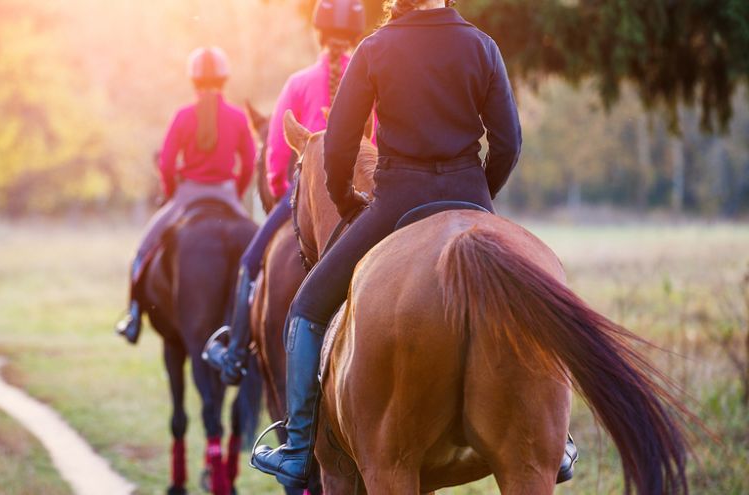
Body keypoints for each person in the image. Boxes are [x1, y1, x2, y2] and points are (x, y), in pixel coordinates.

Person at [250, 0, 578, 488]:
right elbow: (507, 142)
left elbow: (338, 149)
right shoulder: (482, 46)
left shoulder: (375, 48)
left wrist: (347, 199)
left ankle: (298, 448)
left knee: (304, 311)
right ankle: (559, 440)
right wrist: (477, 197)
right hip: (470, 197)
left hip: (393, 204)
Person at [213, 0, 367, 383]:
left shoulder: (297, 83)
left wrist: (286, 190)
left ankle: (234, 353)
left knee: (250, 263)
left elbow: (278, 152)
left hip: (306, 191)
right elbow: (374, 142)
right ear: (353, 37)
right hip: (362, 194)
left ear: (319, 34)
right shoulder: (369, 78)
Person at [116, 46, 256, 343]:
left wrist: (172, 194)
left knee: (142, 252)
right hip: (227, 194)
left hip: (186, 195)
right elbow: (249, 163)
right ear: (225, 79)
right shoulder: (237, 117)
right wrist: (237, 193)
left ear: (193, 81)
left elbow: (166, 164)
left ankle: (132, 317)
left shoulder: (183, 116)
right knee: (260, 251)